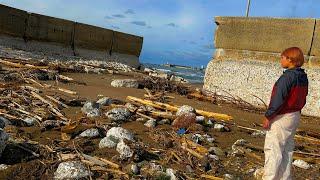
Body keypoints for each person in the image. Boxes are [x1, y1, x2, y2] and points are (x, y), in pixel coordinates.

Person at [262, 47, 308, 180]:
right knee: (287, 149)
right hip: (295, 115)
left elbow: (278, 99)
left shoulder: (287, 77)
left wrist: (268, 116)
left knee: (273, 149)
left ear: (290, 59)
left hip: (283, 116)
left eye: (282, 57)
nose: (280, 59)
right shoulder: (302, 76)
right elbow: (303, 97)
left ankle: (269, 178)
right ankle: (284, 178)